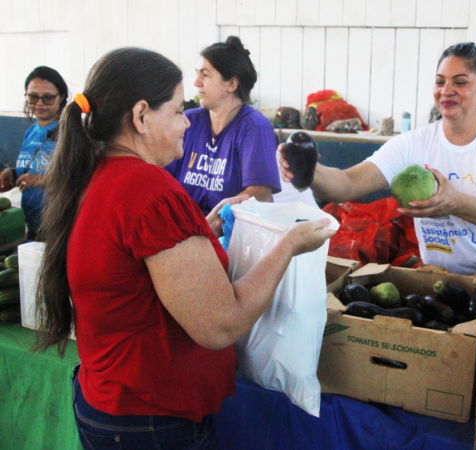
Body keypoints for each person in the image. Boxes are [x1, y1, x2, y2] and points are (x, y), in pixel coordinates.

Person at [34, 47, 335, 450]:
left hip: (108, 400)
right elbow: (220, 325)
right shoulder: (148, 189)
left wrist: (198, 233)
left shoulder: (98, 174)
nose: (185, 124)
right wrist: (290, 245)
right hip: (150, 419)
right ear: (141, 116)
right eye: (177, 111)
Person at [279, 42, 476, 279]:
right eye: (440, 82)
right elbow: (347, 184)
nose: (446, 90)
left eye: (460, 82)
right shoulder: (414, 143)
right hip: (447, 282)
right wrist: (309, 169)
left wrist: (456, 204)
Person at [165, 36, 281, 216]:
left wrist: (212, 224)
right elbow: (161, 177)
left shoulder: (254, 127)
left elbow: (260, 194)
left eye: (205, 74)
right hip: (185, 229)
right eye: (197, 73)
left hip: (231, 234)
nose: (196, 82)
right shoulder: (189, 121)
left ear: (231, 84)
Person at [0, 66, 68, 239]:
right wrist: (13, 172)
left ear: (61, 98)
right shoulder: (30, 132)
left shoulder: (69, 134)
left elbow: (81, 177)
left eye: (48, 98)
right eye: (33, 97)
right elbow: (36, 166)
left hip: (59, 230)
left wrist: (40, 181)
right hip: (32, 227)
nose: (39, 103)